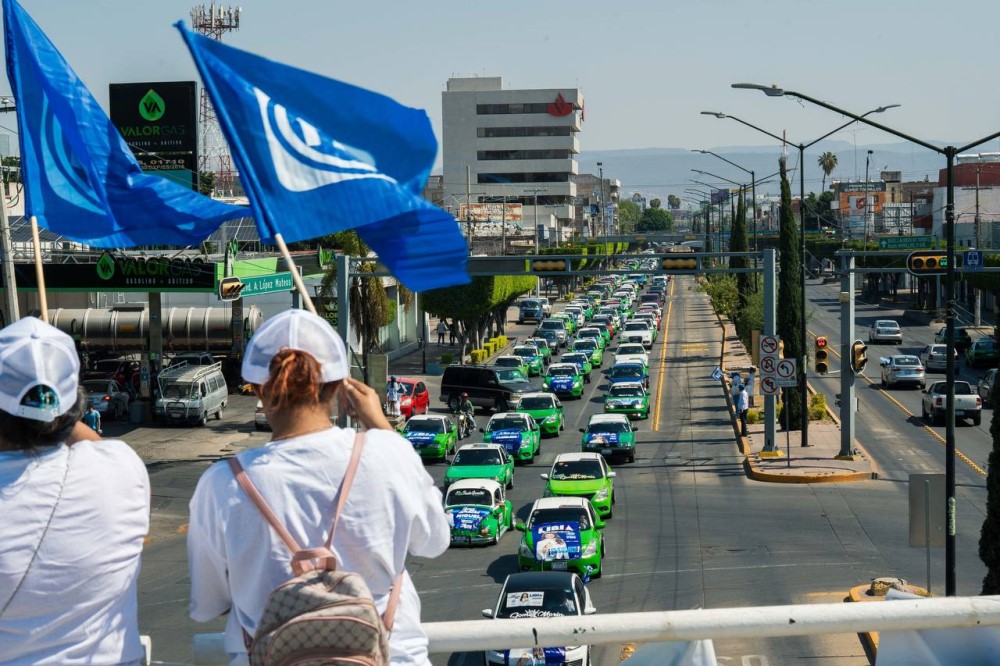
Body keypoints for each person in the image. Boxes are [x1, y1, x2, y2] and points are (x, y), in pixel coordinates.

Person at [187, 309, 450, 666]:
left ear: (260, 390)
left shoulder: (222, 484)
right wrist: (382, 428)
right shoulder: (388, 454)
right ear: (341, 386)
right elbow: (434, 540)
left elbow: (208, 604)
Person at [0, 317, 150, 664]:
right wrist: (59, 412)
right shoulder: (122, 469)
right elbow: (92, 443)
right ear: (76, 407)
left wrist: (56, 412)